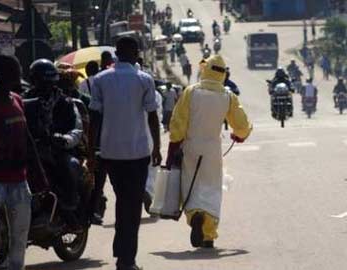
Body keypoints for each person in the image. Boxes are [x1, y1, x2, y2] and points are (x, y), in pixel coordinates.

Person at [88, 37, 162, 270]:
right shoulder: (144, 79)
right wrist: (157, 147)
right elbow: (152, 115)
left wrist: (91, 152)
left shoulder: (100, 80)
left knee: (123, 202)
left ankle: (123, 254)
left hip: (111, 153)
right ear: (134, 53)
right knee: (131, 206)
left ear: (118, 53)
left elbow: (94, 119)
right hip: (138, 152)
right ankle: (126, 258)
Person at [166, 55, 252, 248]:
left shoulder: (191, 92)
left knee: (192, 185)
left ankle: (195, 215)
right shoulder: (228, 96)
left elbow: (178, 123)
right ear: (222, 74)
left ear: (205, 70)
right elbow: (242, 125)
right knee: (212, 189)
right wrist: (240, 135)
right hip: (213, 149)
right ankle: (208, 233)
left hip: (191, 147)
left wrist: (174, 145)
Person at [0, 55, 44, 270]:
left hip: (19, 181)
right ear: (6, 74)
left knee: (20, 236)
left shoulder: (17, 100)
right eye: (17, 69)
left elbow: (26, 137)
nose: (20, 73)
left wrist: (39, 174)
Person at [23, 59, 83, 221]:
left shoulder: (66, 102)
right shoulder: (22, 100)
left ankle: (70, 207)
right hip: (29, 148)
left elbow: (77, 128)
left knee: (70, 165)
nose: (46, 86)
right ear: (33, 80)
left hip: (57, 149)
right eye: (41, 81)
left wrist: (65, 139)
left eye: (49, 82)